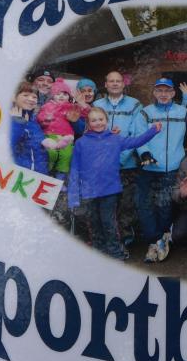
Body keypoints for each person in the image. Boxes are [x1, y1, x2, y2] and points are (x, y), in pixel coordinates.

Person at [68, 108, 161, 259]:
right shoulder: (81, 143)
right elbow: (74, 169)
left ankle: (115, 253)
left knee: (109, 223)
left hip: (109, 191)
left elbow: (136, 141)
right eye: (93, 120)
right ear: (88, 123)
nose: (98, 123)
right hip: (88, 192)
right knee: (93, 223)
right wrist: (73, 196)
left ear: (107, 120)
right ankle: (98, 252)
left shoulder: (115, 139)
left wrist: (153, 130)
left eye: (101, 119)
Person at [134, 78, 187, 263]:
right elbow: (138, 135)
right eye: (159, 90)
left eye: (167, 91)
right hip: (149, 166)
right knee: (145, 205)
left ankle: (162, 241)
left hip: (173, 168)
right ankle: (152, 241)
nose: (163, 94)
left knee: (165, 206)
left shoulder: (183, 112)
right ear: (154, 93)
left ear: (173, 93)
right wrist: (144, 153)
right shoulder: (145, 112)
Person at [92, 70, 144, 244]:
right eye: (111, 81)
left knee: (126, 203)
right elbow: (92, 131)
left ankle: (125, 238)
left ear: (123, 84)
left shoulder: (135, 104)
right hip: (102, 166)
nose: (115, 84)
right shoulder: (97, 104)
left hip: (126, 164)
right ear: (105, 84)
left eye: (118, 81)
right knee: (105, 203)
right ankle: (109, 239)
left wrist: (120, 158)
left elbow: (136, 134)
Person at [36, 78, 90, 180]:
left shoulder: (71, 107)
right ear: (53, 95)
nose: (61, 96)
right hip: (50, 135)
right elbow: (40, 118)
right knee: (51, 153)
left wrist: (82, 105)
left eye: (65, 94)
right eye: (58, 94)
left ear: (69, 96)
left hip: (66, 137)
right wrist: (45, 120)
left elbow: (85, 113)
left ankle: (61, 175)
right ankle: (47, 170)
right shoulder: (47, 106)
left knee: (67, 155)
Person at [10, 82, 48, 175]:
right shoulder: (6, 118)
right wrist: (17, 123)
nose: (31, 99)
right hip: (16, 175)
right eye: (26, 95)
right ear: (14, 97)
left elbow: (39, 147)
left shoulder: (33, 120)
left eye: (34, 97)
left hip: (36, 175)